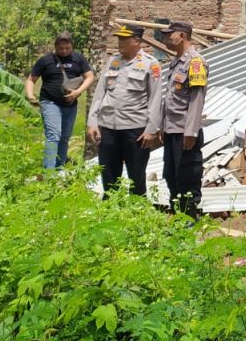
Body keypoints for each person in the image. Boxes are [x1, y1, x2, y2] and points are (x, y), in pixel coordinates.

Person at [86, 24, 163, 196]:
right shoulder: (113, 61)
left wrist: (151, 130)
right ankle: (111, 209)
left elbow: (155, 98)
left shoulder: (150, 64)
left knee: (136, 174)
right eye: (119, 38)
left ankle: (136, 209)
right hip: (108, 127)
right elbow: (99, 93)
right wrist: (92, 122)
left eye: (124, 38)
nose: (119, 42)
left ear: (137, 41)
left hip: (134, 128)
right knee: (109, 173)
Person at [159, 20, 208, 218]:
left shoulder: (195, 62)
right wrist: (163, 125)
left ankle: (189, 216)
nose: (166, 37)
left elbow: (197, 100)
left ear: (182, 35)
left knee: (188, 174)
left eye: (170, 33)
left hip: (185, 131)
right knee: (171, 174)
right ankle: (177, 214)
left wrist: (191, 131)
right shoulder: (175, 62)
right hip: (172, 129)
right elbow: (169, 98)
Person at [25, 31, 94, 169]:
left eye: (67, 48)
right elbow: (31, 80)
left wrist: (78, 92)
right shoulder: (45, 60)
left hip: (70, 104)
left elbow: (90, 76)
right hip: (50, 102)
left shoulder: (78, 58)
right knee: (53, 136)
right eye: (61, 48)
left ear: (72, 46)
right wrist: (30, 95)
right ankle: (49, 173)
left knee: (65, 137)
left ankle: (59, 168)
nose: (64, 51)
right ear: (55, 47)